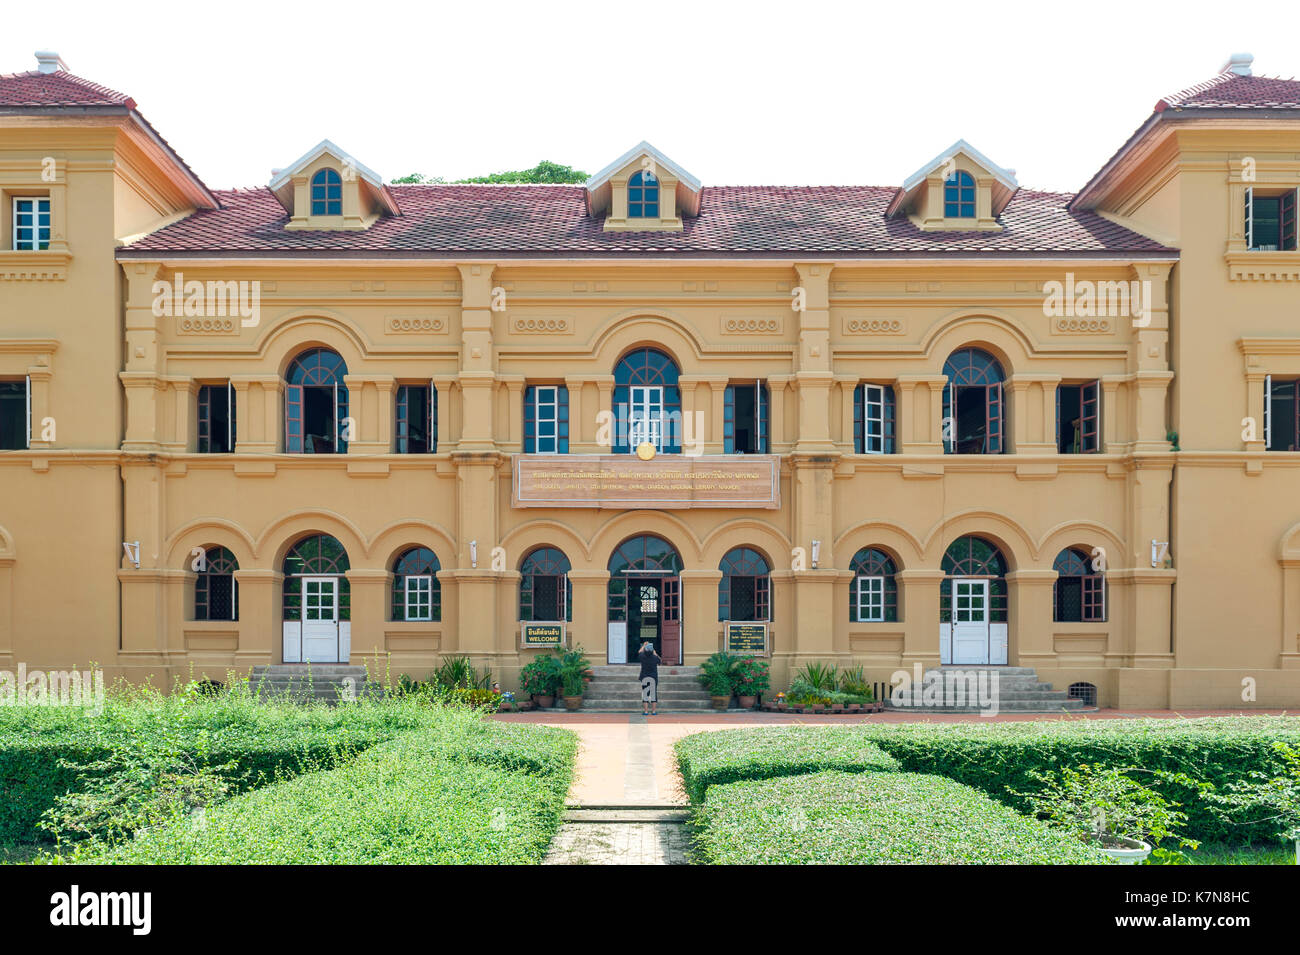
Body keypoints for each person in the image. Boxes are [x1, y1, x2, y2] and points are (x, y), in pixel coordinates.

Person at [637, 641, 661, 716]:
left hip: (644, 677)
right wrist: (655, 652)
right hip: (653, 677)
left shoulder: (642, 656)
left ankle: (646, 711)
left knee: (645, 694)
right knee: (653, 694)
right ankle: (653, 712)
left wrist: (644, 645)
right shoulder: (654, 658)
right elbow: (660, 661)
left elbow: (639, 651)